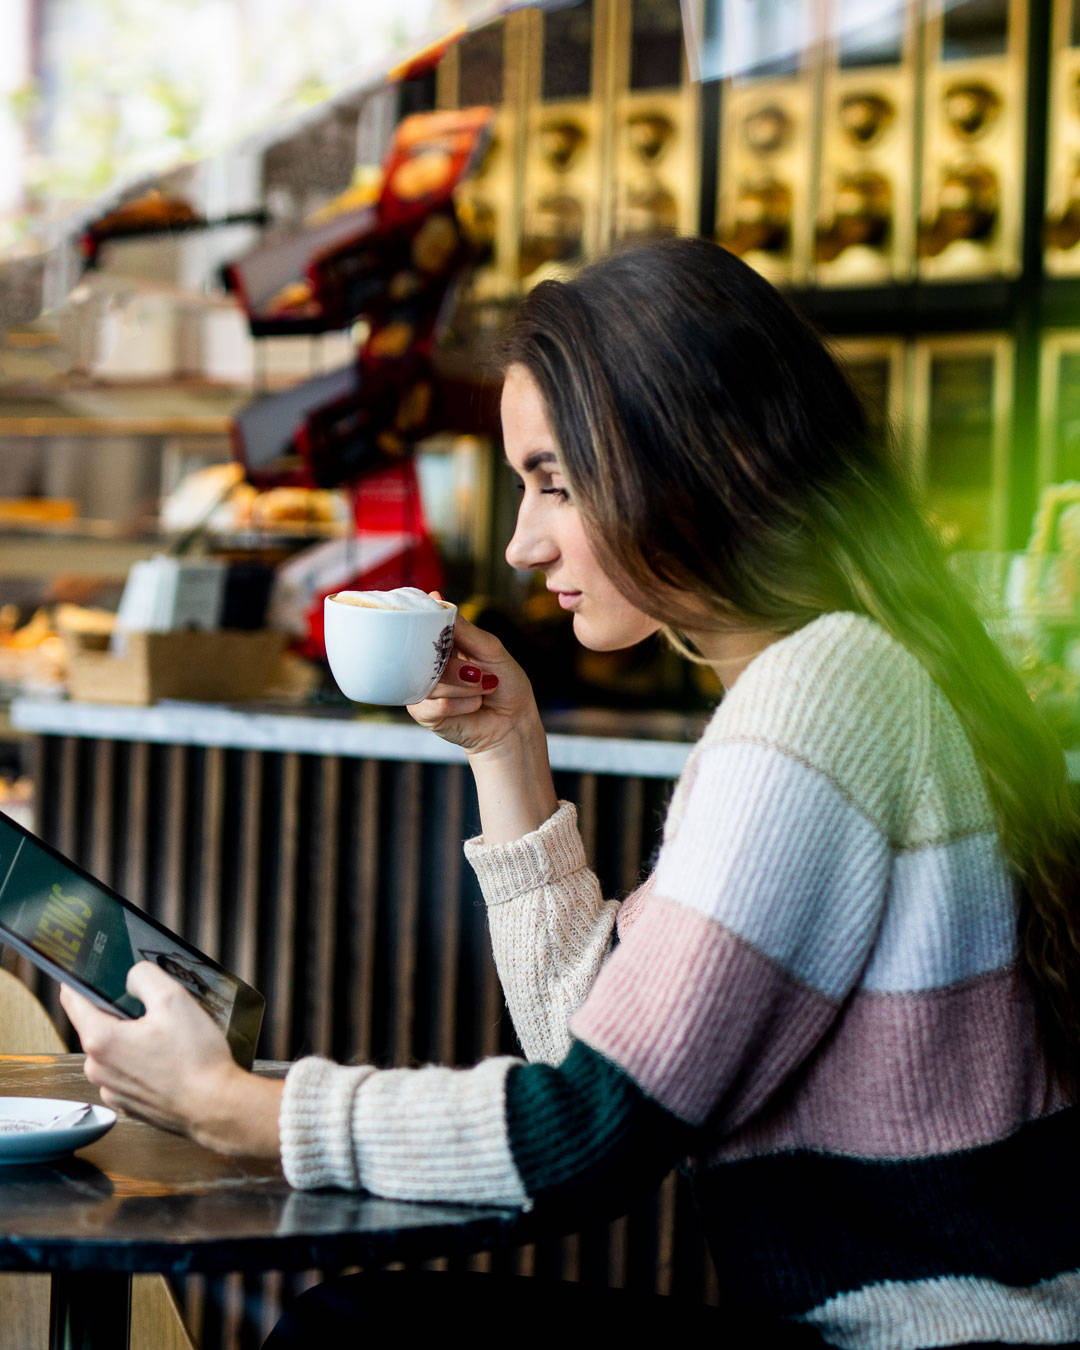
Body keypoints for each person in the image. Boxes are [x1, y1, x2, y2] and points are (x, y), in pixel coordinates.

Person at [59, 237, 1080, 1349]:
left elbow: (584, 1136)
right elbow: (600, 1053)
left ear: (717, 454)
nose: (520, 541)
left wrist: (235, 1108)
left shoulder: (823, 692)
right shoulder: (857, 673)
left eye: (555, 479)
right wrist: (510, 752)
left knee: (359, 1336)